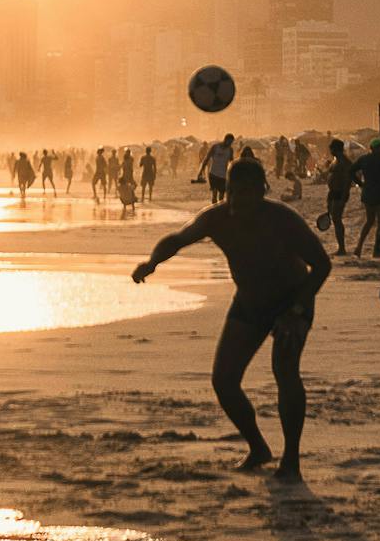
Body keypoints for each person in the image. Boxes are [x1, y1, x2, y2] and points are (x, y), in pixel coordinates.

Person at [132, 156, 330, 480]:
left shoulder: (283, 219)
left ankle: (291, 459)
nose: (239, 201)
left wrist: (296, 312)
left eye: (248, 193)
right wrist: (152, 262)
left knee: (285, 371)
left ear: (262, 191)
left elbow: (321, 265)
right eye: (233, 193)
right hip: (249, 303)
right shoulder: (217, 218)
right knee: (224, 380)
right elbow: (178, 239)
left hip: (292, 303)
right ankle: (258, 447)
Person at [352, 141, 380, 256]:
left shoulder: (364, 159)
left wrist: (360, 183)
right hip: (379, 193)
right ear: (374, 148)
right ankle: (376, 250)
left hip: (368, 192)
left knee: (370, 221)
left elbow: (351, 171)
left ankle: (359, 247)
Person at [321, 138, 354, 253]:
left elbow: (347, 180)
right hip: (333, 192)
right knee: (335, 219)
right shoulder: (335, 160)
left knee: (337, 219)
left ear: (336, 149)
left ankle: (342, 248)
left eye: (331, 149)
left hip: (340, 192)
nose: (330, 151)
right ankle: (341, 247)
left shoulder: (344, 162)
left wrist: (344, 196)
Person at [197, 133, 236, 202]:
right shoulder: (215, 147)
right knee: (214, 195)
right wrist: (200, 171)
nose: (230, 144)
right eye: (230, 142)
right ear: (226, 140)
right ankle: (213, 210)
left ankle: (219, 212)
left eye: (231, 142)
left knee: (221, 197)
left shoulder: (230, 150)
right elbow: (207, 158)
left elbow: (231, 162)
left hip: (223, 176)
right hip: (213, 174)